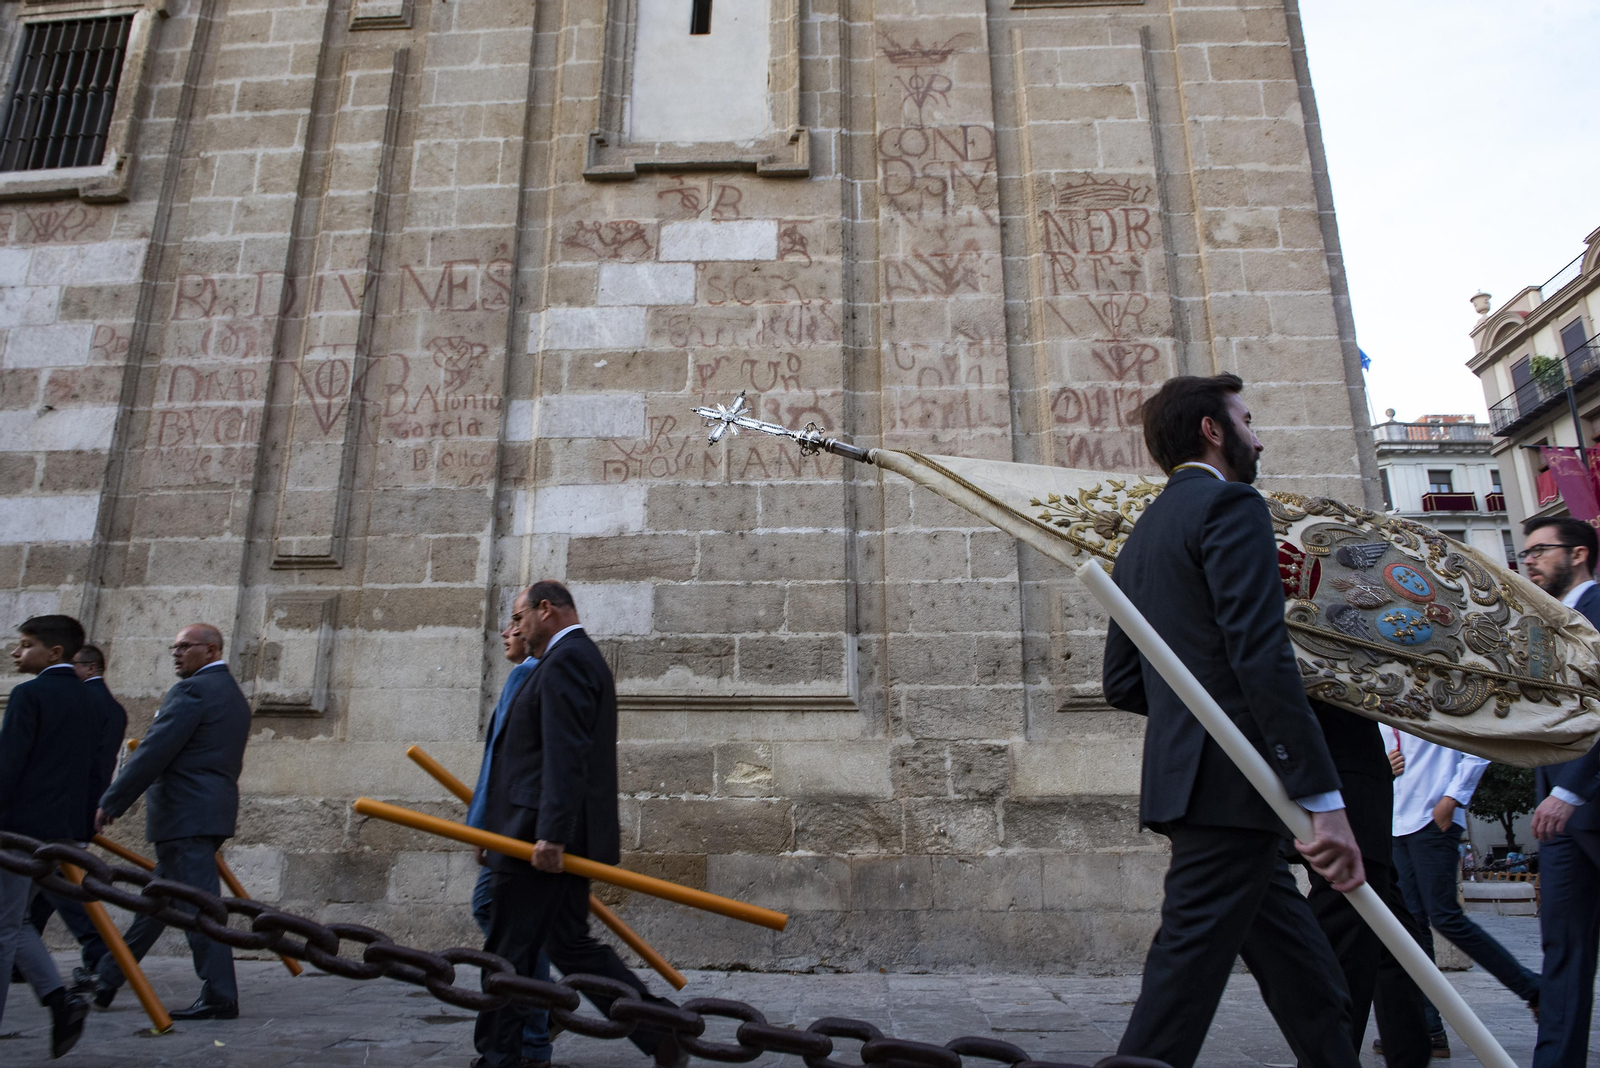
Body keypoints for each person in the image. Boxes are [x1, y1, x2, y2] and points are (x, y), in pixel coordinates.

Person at [1102, 373, 1365, 1068]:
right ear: (1213, 431)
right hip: (1235, 788)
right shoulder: (1230, 507)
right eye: (1246, 420)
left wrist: (1191, 730)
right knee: (1180, 983)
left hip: (1201, 784)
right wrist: (1323, 798)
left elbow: (1123, 681)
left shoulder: (1144, 533)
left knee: (1309, 982)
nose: (1258, 435)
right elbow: (1260, 652)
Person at [474, 581, 682, 1068]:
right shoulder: (567, 659)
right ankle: (657, 1030)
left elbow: (565, 755)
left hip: (536, 841)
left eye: (519, 615)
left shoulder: (566, 660)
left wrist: (551, 834)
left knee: (508, 952)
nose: (516, 626)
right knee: (567, 943)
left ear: (545, 610)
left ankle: (501, 1057)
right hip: (537, 833)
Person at [93, 624, 251, 1021]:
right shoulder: (232, 693)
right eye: (174, 647)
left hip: (184, 814)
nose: (176, 654)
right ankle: (108, 977)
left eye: (184, 647)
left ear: (210, 649)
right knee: (157, 903)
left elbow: (154, 751)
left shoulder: (192, 691)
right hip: (207, 812)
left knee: (200, 909)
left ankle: (219, 994)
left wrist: (112, 801)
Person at [1304, 703, 1434, 1066]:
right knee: (1348, 935)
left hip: (1355, 777)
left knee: (1396, 939)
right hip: (1340, 775)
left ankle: (1411, 1053)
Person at [1520, 516, 1600, 1068]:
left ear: (1577, 554)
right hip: (1560, 814)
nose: (1528, 561)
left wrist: (1571, 791)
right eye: (1525, 553)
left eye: (1539, 551)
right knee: (1563, 951)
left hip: (1583, 799)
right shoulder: (1549, 623)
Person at [1389, 732, 1539, 1022]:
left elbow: (1479, 742)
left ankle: (1532, 987)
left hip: (1433, 819)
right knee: (1411, 927)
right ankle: (1428, 1026)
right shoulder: (1379, 700)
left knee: (1445, 917)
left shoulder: (1437, 689)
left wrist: (1453, 797)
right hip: (1397, 823)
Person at [466, 588, 553, 1067]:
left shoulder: (526, 676)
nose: (505, 631)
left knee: (502, 917)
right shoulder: (530, 675)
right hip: (517, 824)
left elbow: (500, 761)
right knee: (521, 927)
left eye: (514, 621)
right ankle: (541, 1012)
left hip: (515, 827)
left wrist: (482, 828)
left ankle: (537, 1023)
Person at [1, 615, 94, 1057]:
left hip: (18, 832)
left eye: (25, 645)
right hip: (66, 835)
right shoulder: (96, 702)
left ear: (54, 652)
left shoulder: (29, 694)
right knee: (16, 922)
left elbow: (8, 766)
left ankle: (58, 1005)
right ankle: (61, 1003)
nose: (17, 654)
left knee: (3, 928)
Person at [23, 644, 126, 985]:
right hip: (80, 806)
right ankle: (18, 960)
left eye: (76, 665)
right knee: (42, 886)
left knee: (59, 885)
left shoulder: (84, 701)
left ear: (91, 667)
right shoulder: (109, 706)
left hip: (62, 809)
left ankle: (98, 950)